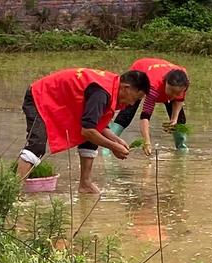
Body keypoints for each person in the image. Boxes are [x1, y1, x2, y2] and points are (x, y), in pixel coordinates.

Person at [17, 67, 150, 193]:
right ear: (126, 88)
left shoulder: (112, 86)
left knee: (91, 137)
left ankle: (85, 184)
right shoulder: (102, 93)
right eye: (135, 98)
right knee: (37, 144)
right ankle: (15, 189)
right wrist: (113, 147)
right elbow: (88, 131)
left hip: (61, 100)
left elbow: (96, 125)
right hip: (40, 96)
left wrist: (116, 139)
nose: (132, 104)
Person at [107, 58, 190, 155]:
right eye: (171, 91)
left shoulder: (183, 81)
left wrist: (174, 119)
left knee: (180, 120)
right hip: (141, 71)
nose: (173, 96)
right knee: (129, 109)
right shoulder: (154, 87)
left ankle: (182, 148)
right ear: (165, 83)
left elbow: (179, 100)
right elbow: (145, 116)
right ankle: (109, 146)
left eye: (178, 93)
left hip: (162, 77)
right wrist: (147, 142)